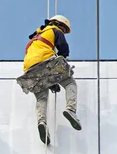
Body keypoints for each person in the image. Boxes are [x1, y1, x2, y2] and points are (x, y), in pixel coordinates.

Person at [23, 15, 81, 145]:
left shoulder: (36, 37)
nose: (63, 32)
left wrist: (52, 82)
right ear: (60, 25)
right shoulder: (55, 30)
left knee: (41, 97)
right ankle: (71, 109)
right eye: (64, 30)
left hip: (29, 69)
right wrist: (62, 60)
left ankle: (41, 122)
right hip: (44, 62)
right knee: (70, 82)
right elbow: (63, 47)